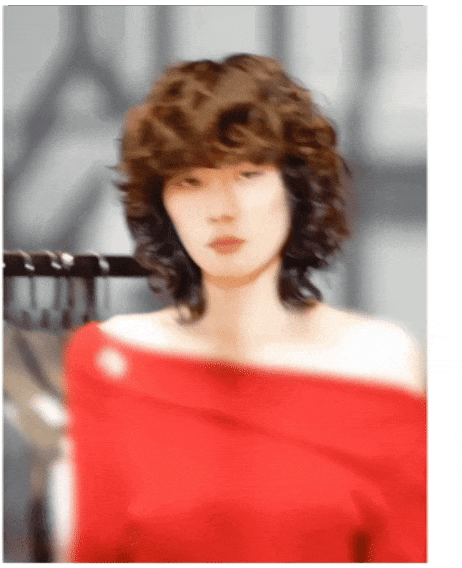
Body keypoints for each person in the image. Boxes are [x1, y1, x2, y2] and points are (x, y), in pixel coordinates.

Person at [63, 54, 426, 562]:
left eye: (249, 174)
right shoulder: (110, 360)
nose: (222, 208)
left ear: (295, 188)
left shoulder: (381, 362)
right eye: (190, 180)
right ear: (163, 204)